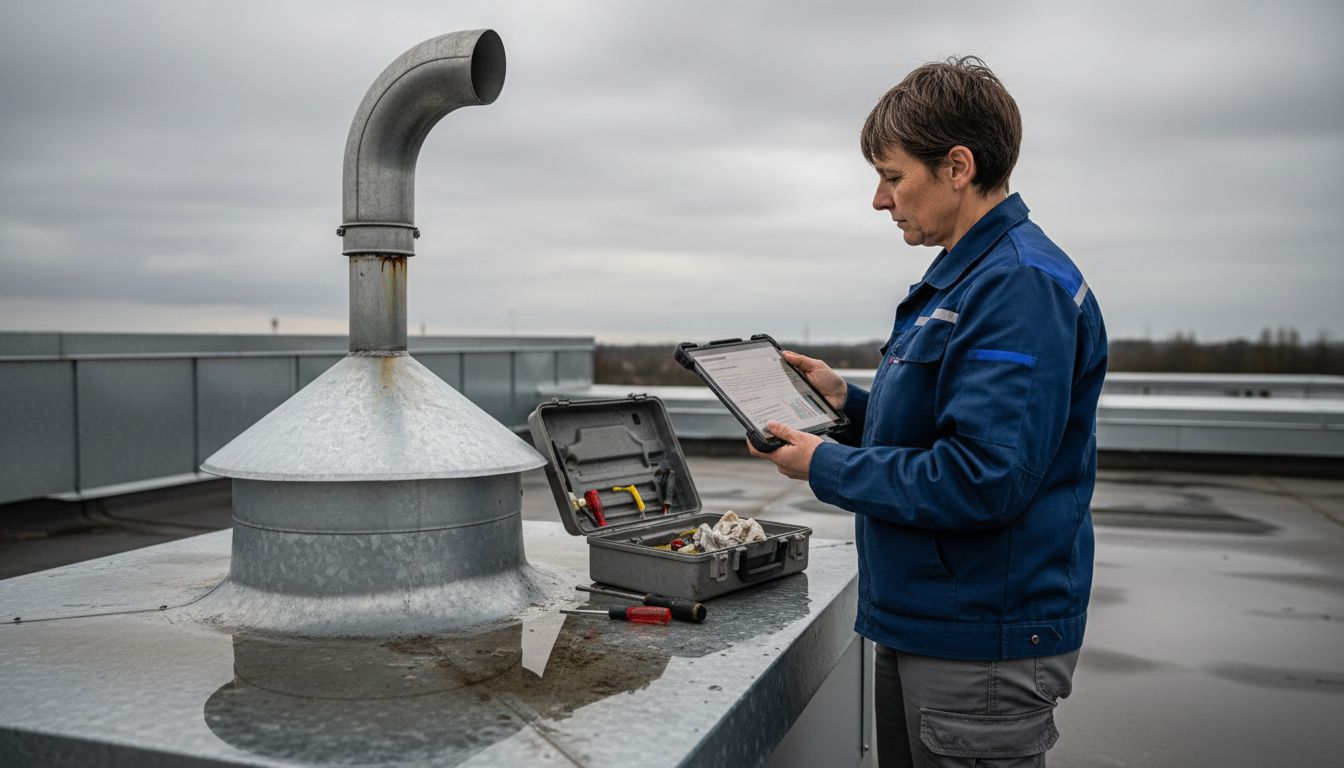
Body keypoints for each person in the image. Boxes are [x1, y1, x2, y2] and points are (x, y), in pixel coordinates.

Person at [748, 56, 1107, 767]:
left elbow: (984, 475)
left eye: (892, 176)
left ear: (958, 167)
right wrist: (847, 404)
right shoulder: (974, 274)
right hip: (931, 621)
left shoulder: (1016, 286)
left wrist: (827, 463)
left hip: (981, 642)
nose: (880, 201)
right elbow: (953, 422)